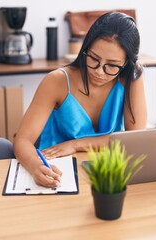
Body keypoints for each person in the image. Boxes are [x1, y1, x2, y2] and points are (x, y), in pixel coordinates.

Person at [13, 12, 147, 188]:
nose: (99, 71)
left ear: (126, 64)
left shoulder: (131, 77)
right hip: (59, 172)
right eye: (94, 59)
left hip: (107, 172)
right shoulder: (56, 81)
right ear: (85, 49)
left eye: (112, 65)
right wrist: (36, 166)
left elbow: (135, 139)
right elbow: (22, 140)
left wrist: (77, 144)